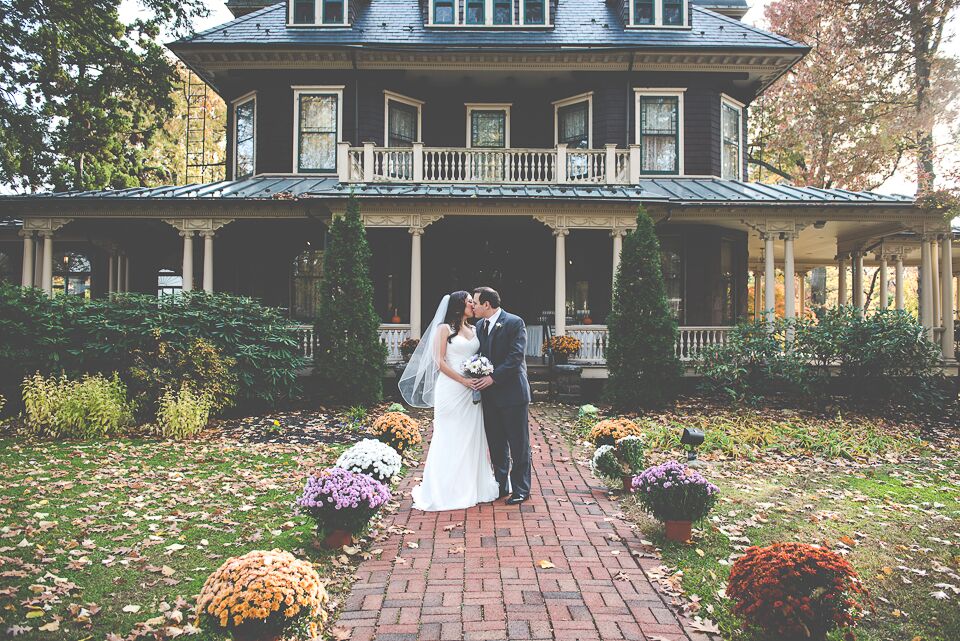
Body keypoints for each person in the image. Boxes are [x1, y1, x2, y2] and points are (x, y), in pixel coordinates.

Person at [398, 291, 501, 511]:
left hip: (471, 390)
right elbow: (439, 362)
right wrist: (463, 381)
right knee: (448, 435)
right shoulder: (443, 329)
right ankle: (443, 489)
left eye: (473, 303)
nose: (473, 306)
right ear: (458, 306)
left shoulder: (475, 329)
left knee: (471, 436)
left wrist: (479, 373)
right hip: (451, 388)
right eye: (469, 303)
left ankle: (471, 485)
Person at [471, 286, 532, 505]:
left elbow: (515, 357)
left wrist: (493, 378)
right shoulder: (478, 326)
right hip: (489, 397)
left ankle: (521, 489)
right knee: (496, 445)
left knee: (519, 444)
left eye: (476, 303)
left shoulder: (515, 322)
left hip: (513, 394)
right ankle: (501, 485)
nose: (473, 307)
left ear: (487, 304)